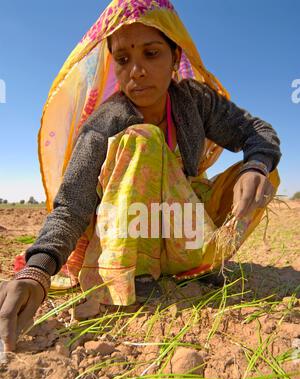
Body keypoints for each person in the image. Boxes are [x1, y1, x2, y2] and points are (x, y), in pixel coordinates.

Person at [0, 0, 281, 352]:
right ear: (113, 65)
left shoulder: (195, 101)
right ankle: (136, 278)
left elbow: (256, 131)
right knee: (142, 141)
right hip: (128, 238)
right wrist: (37, 270)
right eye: (123, 59)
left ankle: (197, 262)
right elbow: (73, 204)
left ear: (174, 56)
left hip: (183, 228)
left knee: (263, 174)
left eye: (151, 53)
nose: (137, 70)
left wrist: (256, 165)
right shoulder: (105, 122)